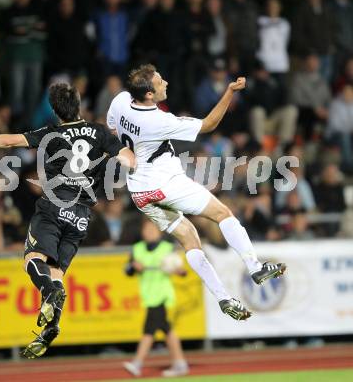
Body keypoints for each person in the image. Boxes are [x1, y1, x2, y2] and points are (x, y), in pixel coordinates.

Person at [0, 82, 136, 358]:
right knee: (56, 272)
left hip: (54, 207)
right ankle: (52, 324)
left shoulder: (50, 133)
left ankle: (47, 293)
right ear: (79, 104)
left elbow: (8, 140)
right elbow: (129, 159)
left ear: (55, 110)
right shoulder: (100, 132)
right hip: (81, 217)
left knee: (32, 259)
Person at [107, 64, 286, 321]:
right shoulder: (159, 120)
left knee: (190, 238)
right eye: (159, 81)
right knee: (223, 213)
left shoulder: (121, 101)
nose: (165, 82)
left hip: (139, 192)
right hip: (166, 183)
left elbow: (112, 129)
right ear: (148, 94)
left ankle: (224, 297)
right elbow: (209, 124)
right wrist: (230, 92)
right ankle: (255, 267)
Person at [123, 219, 189, 377]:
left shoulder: (167, 248)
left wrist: (178, 270)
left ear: (159, 231)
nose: (149, 232)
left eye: (153, 229)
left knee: (149, 330)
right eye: (146, 229)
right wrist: (133, 267)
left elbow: (182, 271)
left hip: (162, 296)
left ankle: (137, 363)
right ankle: (180, 363)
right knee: (167, 330)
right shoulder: (137, 249)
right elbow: (127, 270)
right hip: (149, 296)